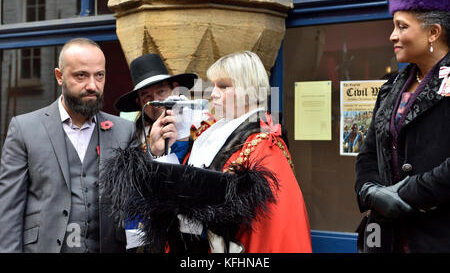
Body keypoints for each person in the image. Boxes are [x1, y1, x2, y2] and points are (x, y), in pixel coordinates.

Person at [102, 51, 312, 253]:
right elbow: (180, 191)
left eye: (223, 86)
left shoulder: (263, 144)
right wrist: (158, 152)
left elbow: (275, 231)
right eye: (214, 86)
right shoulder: (210, 135)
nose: (212, 94)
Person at [0, 37, 138, 253]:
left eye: (99, 75)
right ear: (59, 76)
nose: (92, 86)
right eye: (81, 75)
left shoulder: (124, 131)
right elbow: (8, 210)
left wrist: (155, 154)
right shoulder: (24, 129)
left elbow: (136, 198)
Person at [355, 0, 450, 252]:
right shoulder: (391, 87)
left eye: (402, 26)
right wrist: (370, 191)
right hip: (387, 239)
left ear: (433, 32)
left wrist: (403, 195)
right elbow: (368, 153)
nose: (392, 36)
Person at [114, 53, 198, 162]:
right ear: (139, 102)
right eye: (147, 96)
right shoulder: (132, 142)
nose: (155, 100)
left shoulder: (203, 125)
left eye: (161, 91)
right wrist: (155, 152)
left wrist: (183, 139)